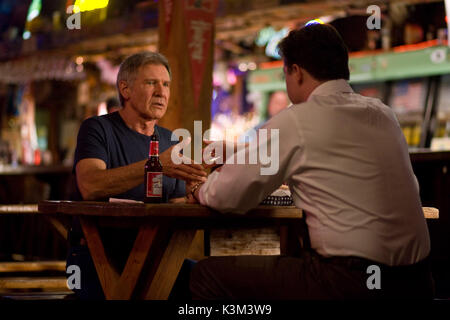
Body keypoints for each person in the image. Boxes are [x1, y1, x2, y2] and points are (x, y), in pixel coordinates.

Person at [188, 24, 434, 299]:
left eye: (285, 73)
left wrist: (199, 187)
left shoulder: (296, 119)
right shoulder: (382, 113)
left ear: (297, 71)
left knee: (204, 275)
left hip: (347, 282)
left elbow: (228, 197)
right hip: (417, 282)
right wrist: (237, 151)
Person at [67, 51, 207, 299]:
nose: (161, 92)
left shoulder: (169, 140)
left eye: (166, 84)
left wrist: (197, 192)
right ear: (125, 89)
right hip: (99, 258)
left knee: (214, 285)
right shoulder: (98, 129)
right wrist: (155, 165)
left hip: (155, 257)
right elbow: (90, 185)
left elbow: (175, 204)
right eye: (151, 82)